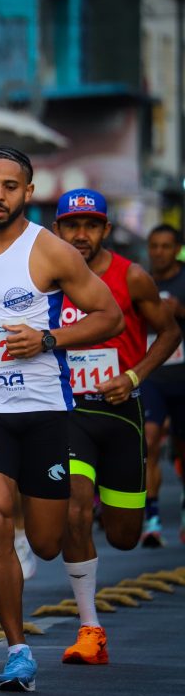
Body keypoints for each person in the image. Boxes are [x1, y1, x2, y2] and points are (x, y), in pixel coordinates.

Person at [0, 147, 122, 692]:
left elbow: (109, 315)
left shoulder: (51, 251)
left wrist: (48, 339)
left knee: (47, 540)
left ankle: (42, 559)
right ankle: (17, 650)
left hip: (44, 409)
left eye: (10, 186)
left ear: (28, 193)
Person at [52, 190, 180, 664]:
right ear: (58, 229)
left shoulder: (132, 276)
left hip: (121, 414)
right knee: (75, 508)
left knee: (124, 535)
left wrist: (134, 377)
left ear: (106, 229)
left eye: (90, 225)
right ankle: (91, 629)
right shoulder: (45, 277)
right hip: (69, 412)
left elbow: (170, 332)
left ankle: (107, 513)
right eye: (71, 225)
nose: (80, 234)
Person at [141, 224, 185, 546]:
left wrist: (180, 311)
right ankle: (152, 521)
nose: (159, 252)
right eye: (154, 246)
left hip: (182, 375)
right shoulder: (141, 281)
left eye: (165, 246)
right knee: (150, 442)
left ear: (177, 249)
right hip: (152, 374)